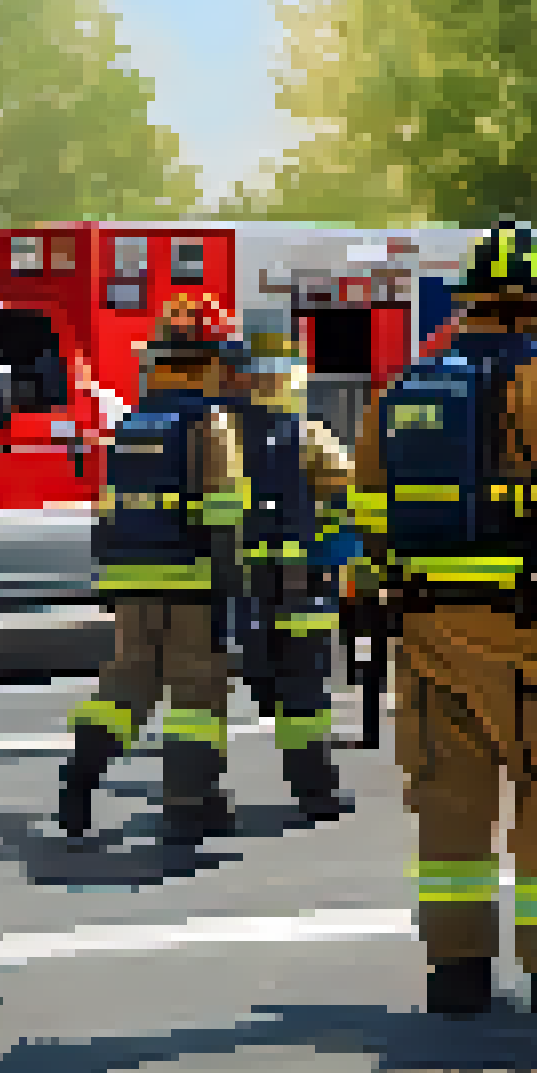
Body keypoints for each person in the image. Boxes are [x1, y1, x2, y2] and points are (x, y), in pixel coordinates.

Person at [349, 219, 537, 1020]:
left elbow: (367, 517)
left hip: (420, 634)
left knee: (449, 804)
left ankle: (458, 971)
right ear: (534, 310)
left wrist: (372, 601)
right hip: (516, 635)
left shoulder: (402, 393)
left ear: (472, 304)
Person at [61, 294, 250, 846]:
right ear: (209, 361)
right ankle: (191, 804)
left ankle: (80, 775)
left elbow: (107, 509)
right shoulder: (209, 425)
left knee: (127, 685)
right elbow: (223, 515)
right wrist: (229, 589)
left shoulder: (131, 425)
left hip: (129, 579)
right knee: (197, 692)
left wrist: (108, 579)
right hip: (192, 581)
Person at [220, 310, 359, 821]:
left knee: (255, 682)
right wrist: (336, 558)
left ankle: (194, 798)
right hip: (300, 584)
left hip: (235, 587)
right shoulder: (308, 437)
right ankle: (316, 792)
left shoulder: (216, 433)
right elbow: (351, 502)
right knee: (305, 689)